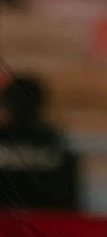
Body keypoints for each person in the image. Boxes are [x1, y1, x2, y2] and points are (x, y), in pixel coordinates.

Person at [0, 75, 79, 210]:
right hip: (47, 221)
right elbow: (68, 202)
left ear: (8, 105)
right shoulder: (55, 145)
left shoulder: (53, 144)